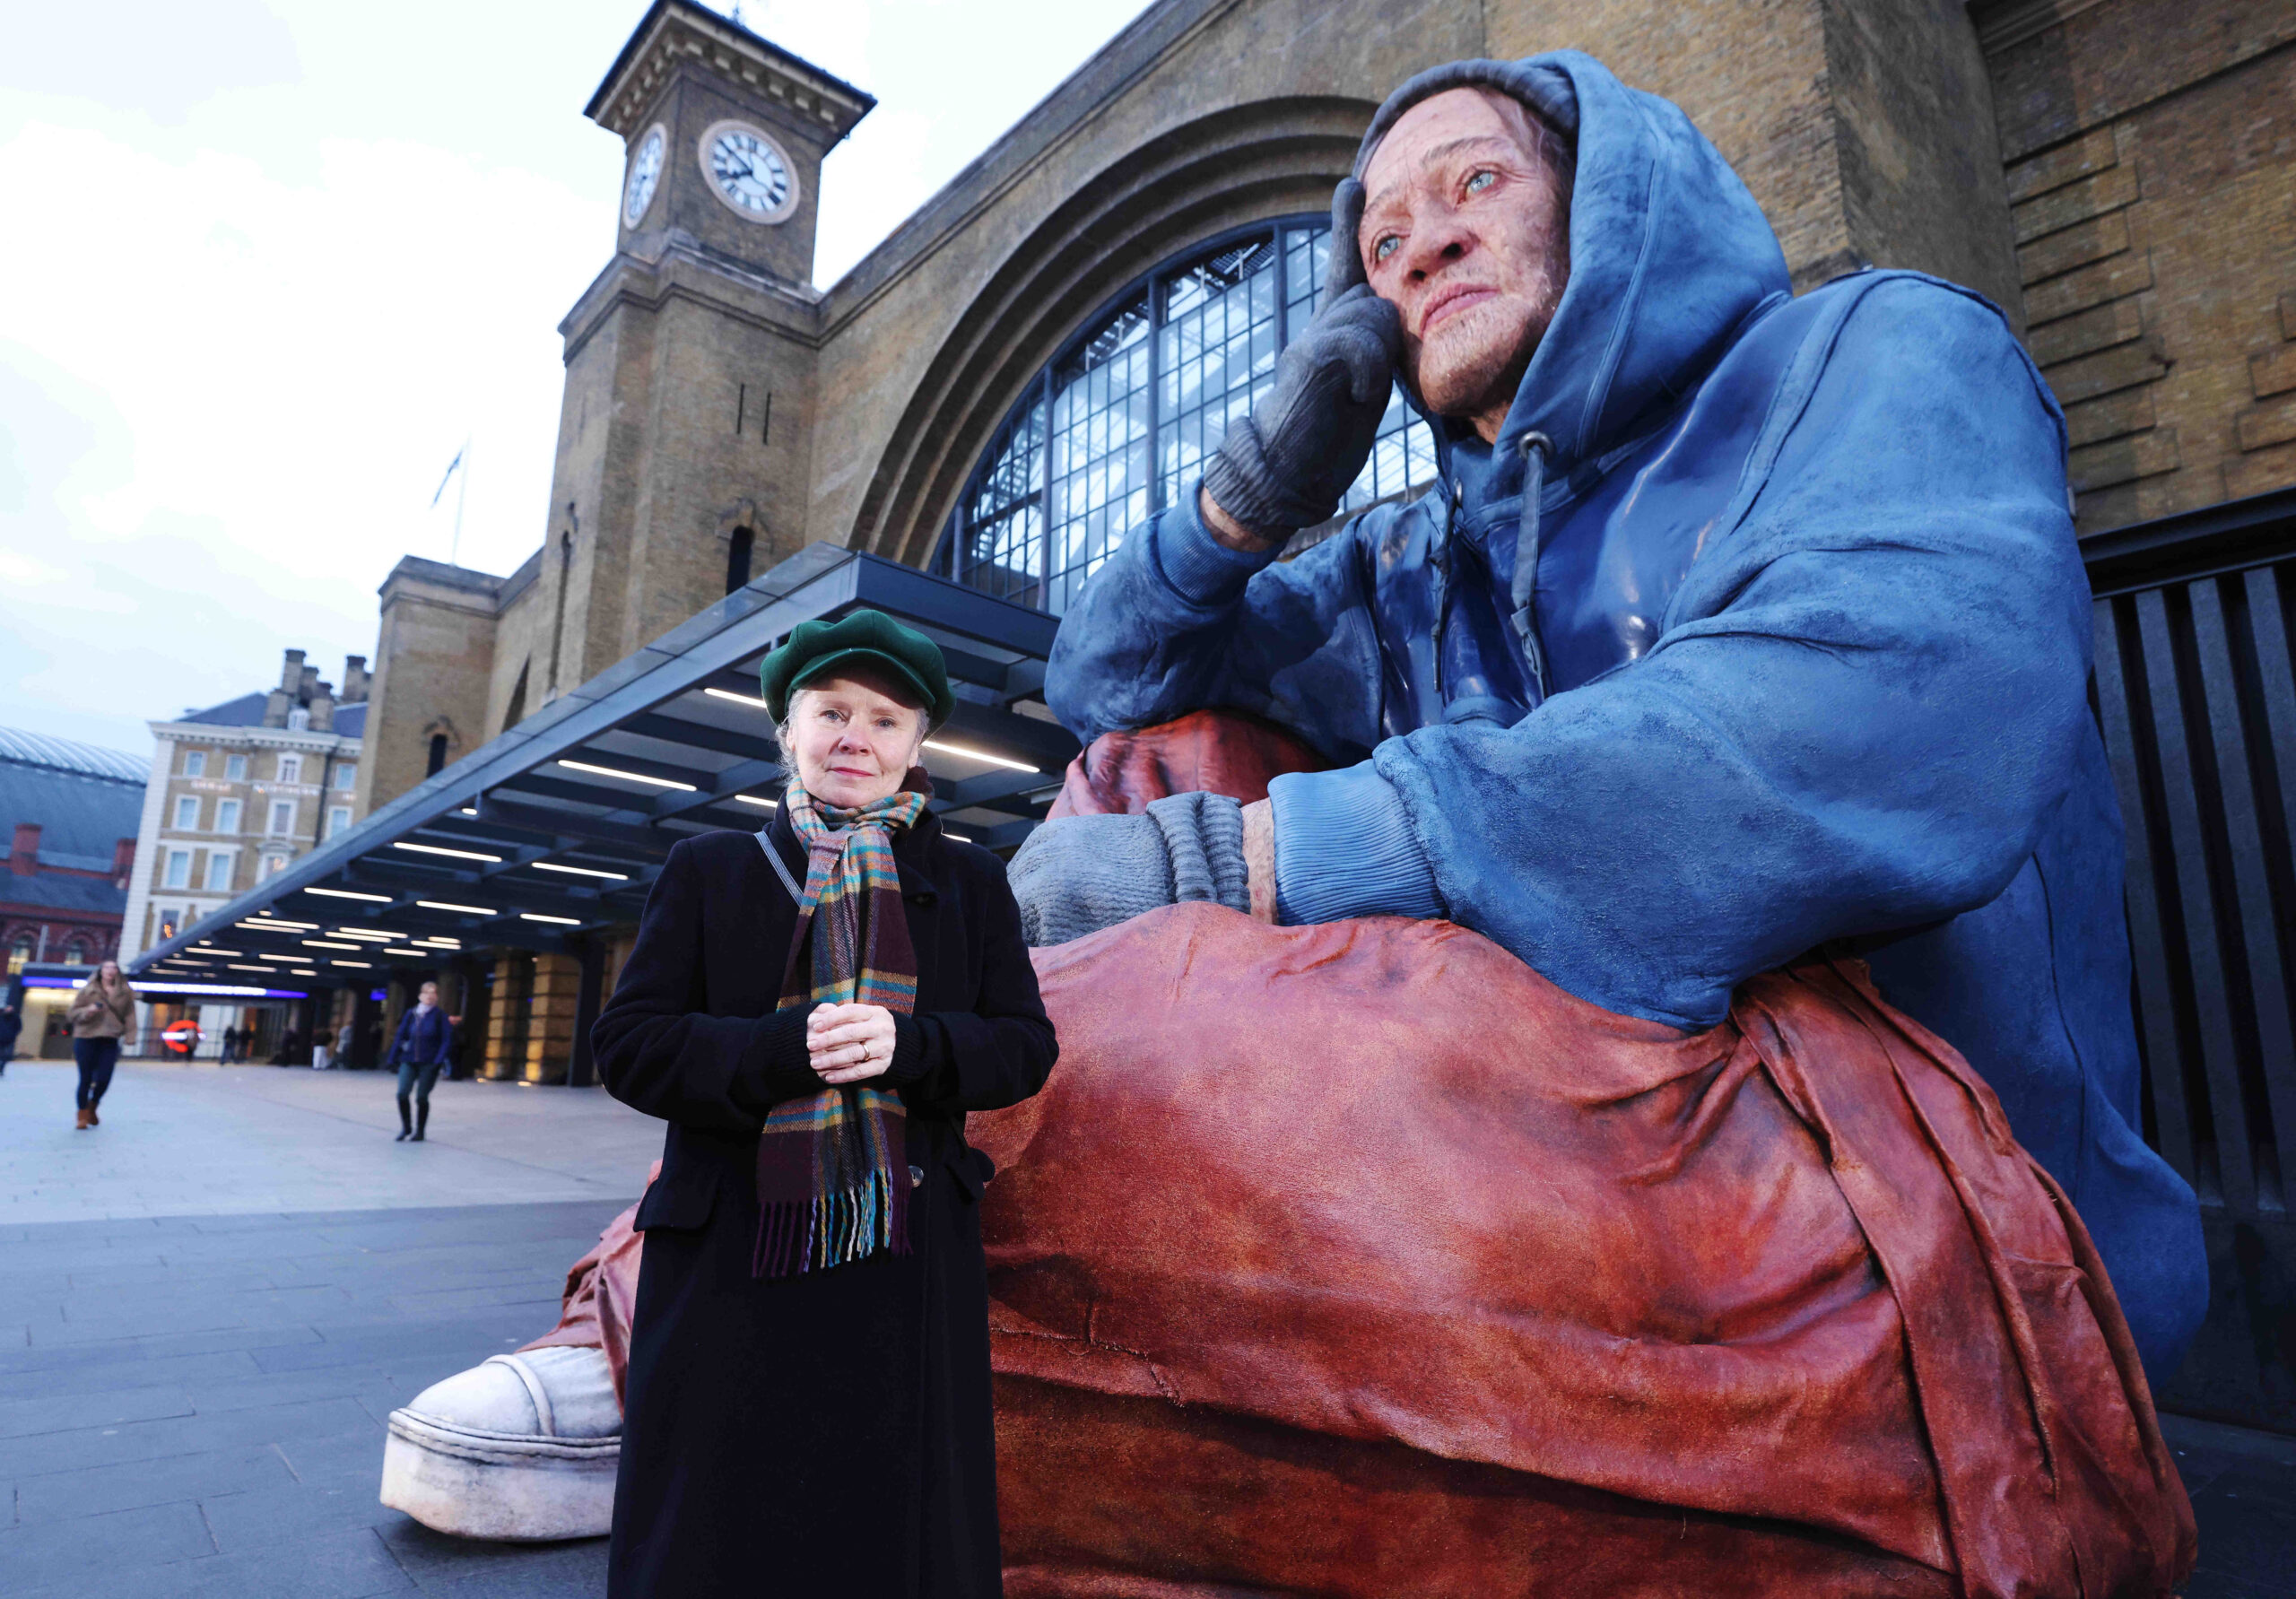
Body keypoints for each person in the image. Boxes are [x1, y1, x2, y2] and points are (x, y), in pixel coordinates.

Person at [1014, 51, 2206, 1382]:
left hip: (1941, 1224)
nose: (1427, 244)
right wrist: (1249, 492)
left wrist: (1244, 862)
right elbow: (1107, 684)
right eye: (1383, 240)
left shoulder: (1874, 353)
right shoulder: (1403, 558)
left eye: (1478, 180)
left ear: (1609, 199)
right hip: (1580, 1197)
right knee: (1147, 782)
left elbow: (1847, 718)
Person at [595, 608, 1057, 1598]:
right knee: (721, 1518)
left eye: (886, 719)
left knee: (891, 1527)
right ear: (786, 731)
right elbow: (631, 1046)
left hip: (903, 1250)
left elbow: (1023, 1047)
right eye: (831, 711)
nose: (857, 736)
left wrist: (912, 1043)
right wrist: (779, 1048)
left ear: (917, 745)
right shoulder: (708, 870)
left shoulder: (971, 881)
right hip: (732, 1251)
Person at [65, 960, 135, 1129]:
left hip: (110, 1039)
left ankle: (93, 1106)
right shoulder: (88, 991)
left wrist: (130, 1036)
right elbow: (72, 1014)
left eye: (114, 968)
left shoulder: (125, 993)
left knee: (104, 1078)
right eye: (107, 967)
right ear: (100, 971)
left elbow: (130, 1016)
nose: (110, 971)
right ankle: (82, 1115)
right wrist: (88, 1010)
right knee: (86, 1079)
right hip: (86, 1037)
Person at [387, 982, 455, 1141]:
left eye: (432, 993)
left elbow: (446, 1040)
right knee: (402, 1093)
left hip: (429, 1062)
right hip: (409, 1060)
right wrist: (392, 1057)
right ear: (420, 996)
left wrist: (438, 1061)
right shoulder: (411, 1014)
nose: (429, 996)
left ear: (437, 997)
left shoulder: (440, 1016)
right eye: (426, 993)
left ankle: (420, 1131)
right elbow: (400, 1036)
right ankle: (406, 1127)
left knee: (421, 1097)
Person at [0, 997, 20, 1074]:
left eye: (10, 1008)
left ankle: (1, 1068)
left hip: (9, 1039)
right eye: (8, 1007)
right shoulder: (1, 1016)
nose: (8, 1009)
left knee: (6, 1055)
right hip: (0, 1038)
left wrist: (12, 1034)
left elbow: (18, 1027)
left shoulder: (15, 1018)